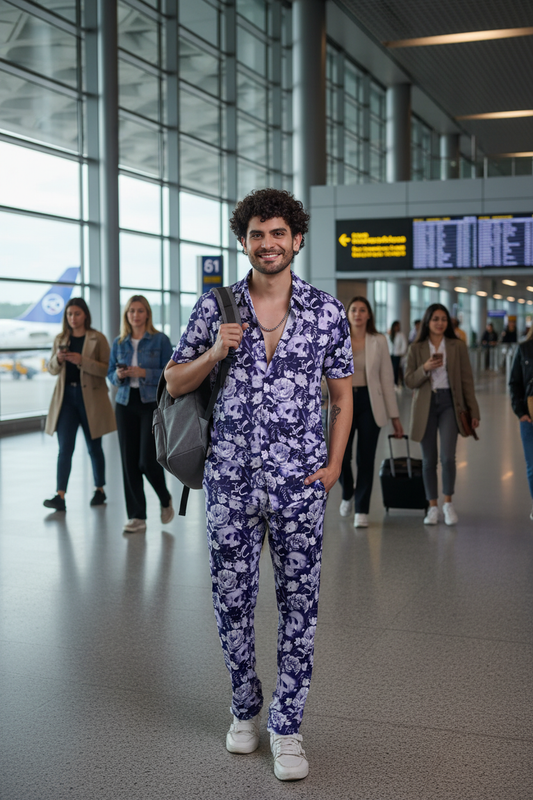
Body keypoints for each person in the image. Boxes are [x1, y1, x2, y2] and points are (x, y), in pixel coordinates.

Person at [164, 188, 353, 781]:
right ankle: (245, 707)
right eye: (256, 234)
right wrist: (216, 349)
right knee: (232, 602)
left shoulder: (325, 312)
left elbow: (343, 399)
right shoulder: (215, 306)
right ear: (243, 242)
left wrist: (334, 466)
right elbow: (173, 382)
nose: (267, 244)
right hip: (231, 482)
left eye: (278, 234)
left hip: (300, 485)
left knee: (301, 604)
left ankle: (288, 726)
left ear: (297, 239)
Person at [404, 304, 480, 526]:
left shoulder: (457, 346)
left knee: (447, 457)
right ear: (427, 321)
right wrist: (425, 368)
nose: (440, 323)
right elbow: (409, 380)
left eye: (443, 319)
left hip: (450, 404)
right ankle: (432, 506)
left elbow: (467, 380)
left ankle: (448, 503)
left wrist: (473, 410)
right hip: (426, 404)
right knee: (428, 460)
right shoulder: (416, 348)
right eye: (435, 319)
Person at [108, 295, 174, 534]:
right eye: (131, 311)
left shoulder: (160, 340)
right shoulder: (119, 342)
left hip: (150, 404)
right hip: (125, 403)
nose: (135, 315)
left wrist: (143, 371)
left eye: (139, 311)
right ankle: (137, 516)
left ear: (147, 314)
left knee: (147, 460)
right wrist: (120, 376)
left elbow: (172, 373)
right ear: (127, 316)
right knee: (129, 462)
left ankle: (164, 497)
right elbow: (109, 374)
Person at [44, 298, 116, 512]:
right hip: (66, 398)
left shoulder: (97, 338)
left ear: (85, 315)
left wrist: (81, 360)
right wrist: (58, 359)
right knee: (64, 448)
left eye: (76, 314)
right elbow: (51, 369)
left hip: (90, 398)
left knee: (94, 447)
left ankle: (99, 489)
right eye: (69, 314)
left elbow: (107, 369)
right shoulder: (60, 339)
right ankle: (60, 495)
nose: (72, 318)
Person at [339, 297, 403, 528]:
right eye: (353, 309)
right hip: (343, 401)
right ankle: (348, 491)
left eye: (362, 310)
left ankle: (362, 509)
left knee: (366, 458)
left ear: (368, 315)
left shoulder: (379, 341)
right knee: (341, 457)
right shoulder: (337, 338)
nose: (357, 314)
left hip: (370, 402)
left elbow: (387, 379)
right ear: (347, 314)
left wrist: (395, 418)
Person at [509, 327, 533, 519]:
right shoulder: (525, 349)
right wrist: (520, 412)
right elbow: (515, 382)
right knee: (532, 464)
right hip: (529, 415)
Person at [388, 320, 407, 386]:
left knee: (395, 369)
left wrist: (401, 353)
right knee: (390, 369)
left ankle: (395, 383)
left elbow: (404, 345)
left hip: (397, 354)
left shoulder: (401, 335)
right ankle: (390, 382)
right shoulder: (390, 334)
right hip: (390, 354)